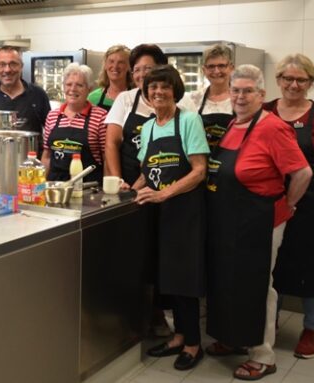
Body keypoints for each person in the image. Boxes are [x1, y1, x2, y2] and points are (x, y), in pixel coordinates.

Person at [205, 64, 311, 381]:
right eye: (236, 90)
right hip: (227, 220)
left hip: (260, 220)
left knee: (257, 287)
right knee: (227, 280)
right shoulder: (233, 125)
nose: (240, 96)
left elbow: (303, 173)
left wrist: (288, 205)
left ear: (262, 95)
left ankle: (263, 354)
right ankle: (233, 338)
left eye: (248, 90)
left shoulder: (272, 127)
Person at [131, 65, 209, 371]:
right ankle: (179, 336)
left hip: (185, 212)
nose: (158, 92)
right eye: (152, 88)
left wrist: (164, 194)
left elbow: (199, 170)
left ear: (174, 90)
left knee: (185, 280)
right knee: (167, 279)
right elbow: (145, 171)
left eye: (164, 87)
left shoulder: (189, 120)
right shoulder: (149, 127)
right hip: (158, 216)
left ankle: (193, 344)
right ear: (146, 94)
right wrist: (128, 188)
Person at [265, 54, 314, 359]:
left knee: (311, 261)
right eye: (288, 78)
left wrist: (306, 186)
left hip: (310, 201)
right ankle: (271, 321)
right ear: (279, 80)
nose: (294, 84)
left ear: (311, 82)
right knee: (273, 260)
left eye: (301, 79)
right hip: (270, 198)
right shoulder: (266, 110)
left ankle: (312, 328)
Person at [105, 44, 195, 188]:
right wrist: (119, 182)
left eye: (148, 69)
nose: (142, 75)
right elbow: (111, 143)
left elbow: (197, 164)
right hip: (133, 182)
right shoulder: (126, 99)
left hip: (177, 186)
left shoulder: (186, 107)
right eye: (137, 70)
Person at [0, 45, 51, 152]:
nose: (7, 70)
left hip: (30, 166)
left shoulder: (38, 95)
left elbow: (51, 134)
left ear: (21, 66)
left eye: (13, 64)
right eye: (1, 65)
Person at [40, 63, 107, 183]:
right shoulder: (52, 116)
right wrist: (39, 185)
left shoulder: (100, 117)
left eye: (79, 85)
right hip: (56, 187)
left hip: (88, 187)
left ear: (89, 89)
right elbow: (47, 155)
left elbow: (107, 157)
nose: (72, 89)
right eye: (69, 84)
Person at [188, 44, 235, 153]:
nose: (217, 71)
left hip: (230, 165)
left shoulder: (240, 99)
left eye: (222, 66)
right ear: (204, 70)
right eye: (211, 66)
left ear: (231, 68)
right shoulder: (193, 99)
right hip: (201, 162)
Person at [87, 44, 132, 112]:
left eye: (121, 62)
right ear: (105, 65)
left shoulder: (137, 97)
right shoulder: (92, 98)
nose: (115, 66)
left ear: (129, 67)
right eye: (111, 61)